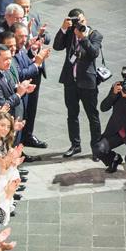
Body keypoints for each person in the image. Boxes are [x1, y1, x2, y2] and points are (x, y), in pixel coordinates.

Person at [51, 9, 103, 158]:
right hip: (70, 81)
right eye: (76, 21)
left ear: (85, 19)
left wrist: (83, 38)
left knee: (92, 116)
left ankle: (96, 148)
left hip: (87, 83)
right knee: (72, 114)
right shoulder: (69, 32)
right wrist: (63, 28)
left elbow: (94, 53)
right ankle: (75, 145)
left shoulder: (95, 35)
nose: (79, 23)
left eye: (81, 20)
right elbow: (57, 46)